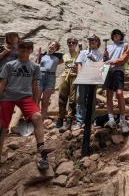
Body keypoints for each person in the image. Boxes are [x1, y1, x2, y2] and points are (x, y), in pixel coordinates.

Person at [0, 41, 50, 170]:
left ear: (31, 50)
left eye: (28, 47)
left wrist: (36, 102)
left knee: (37, 117)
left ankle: (41, 151)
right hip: (8, 96)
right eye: (22, 47)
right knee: (2, 126)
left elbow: (35, 86)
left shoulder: (35, 67)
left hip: (25, 97)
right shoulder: (9, 65)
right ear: (18, 49)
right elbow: (2, 83)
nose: (25, 49)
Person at [103, 29, 129, 134]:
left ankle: (123, 121)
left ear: (121, 36)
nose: (116, 35)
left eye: (118, 34)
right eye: (114, 34)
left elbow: (125, 57)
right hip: (108, 71)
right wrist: (105, 57)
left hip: (118, 70)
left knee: (119, 93)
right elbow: (105, 59)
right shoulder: (108, 46)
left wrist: (114, 61)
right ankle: (111, 119)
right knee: (108, 94)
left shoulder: (125, 45)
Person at [75, 34, 103, 127]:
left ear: (97, 42)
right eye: (90, 40)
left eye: (94, 40)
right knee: (80, 99)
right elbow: (79, 64)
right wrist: (79, 76)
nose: (91, 42)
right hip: (82, 78)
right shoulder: (83, 52)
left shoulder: (99, 54)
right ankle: (80, 121)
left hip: (92, 79)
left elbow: (100, 66)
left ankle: (90, 120)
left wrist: (94, 59)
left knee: (91, 100)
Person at [55, 37, 79, 130]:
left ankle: (69, 120)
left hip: (74, 76)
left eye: (73, 42)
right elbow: (55, 62)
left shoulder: (79, 54)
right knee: (62, 97)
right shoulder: (64, 55)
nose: (71, 44)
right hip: (64, 76)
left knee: (72, 99)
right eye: (69, 42)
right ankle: (60, 118)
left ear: (76, 44)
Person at [36, 41, 63, 120]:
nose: (52, 46)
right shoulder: (42, 55)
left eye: (54, 46)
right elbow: (37, 64)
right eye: (51, 45)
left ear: (56, 49)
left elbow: (65, 60)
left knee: (45, 100)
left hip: (50, 78)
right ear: (48, 45)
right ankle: (36, 117)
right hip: (40, 76)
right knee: (37, 99)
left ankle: (42, 118)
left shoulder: (58, 56)